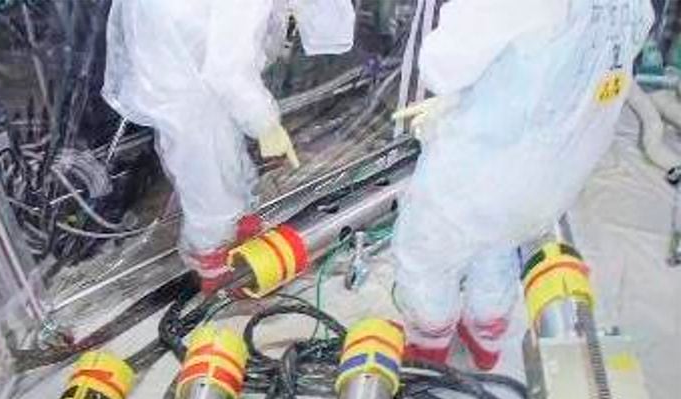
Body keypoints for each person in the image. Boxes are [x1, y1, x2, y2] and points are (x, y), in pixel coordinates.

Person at [392, 0, 654, 370]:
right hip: (560, 173)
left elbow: (442, 66)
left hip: (485, 166)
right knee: (499, 245)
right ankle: (487, 334)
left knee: (427, 251)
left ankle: (430, 342)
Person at [102, 0, 355, 293]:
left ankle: (237, 230)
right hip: (181, 64)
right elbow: (228, 73)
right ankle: (217, 267)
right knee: (207, 172)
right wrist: (267, 124)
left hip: (180, 43)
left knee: (218, 143)